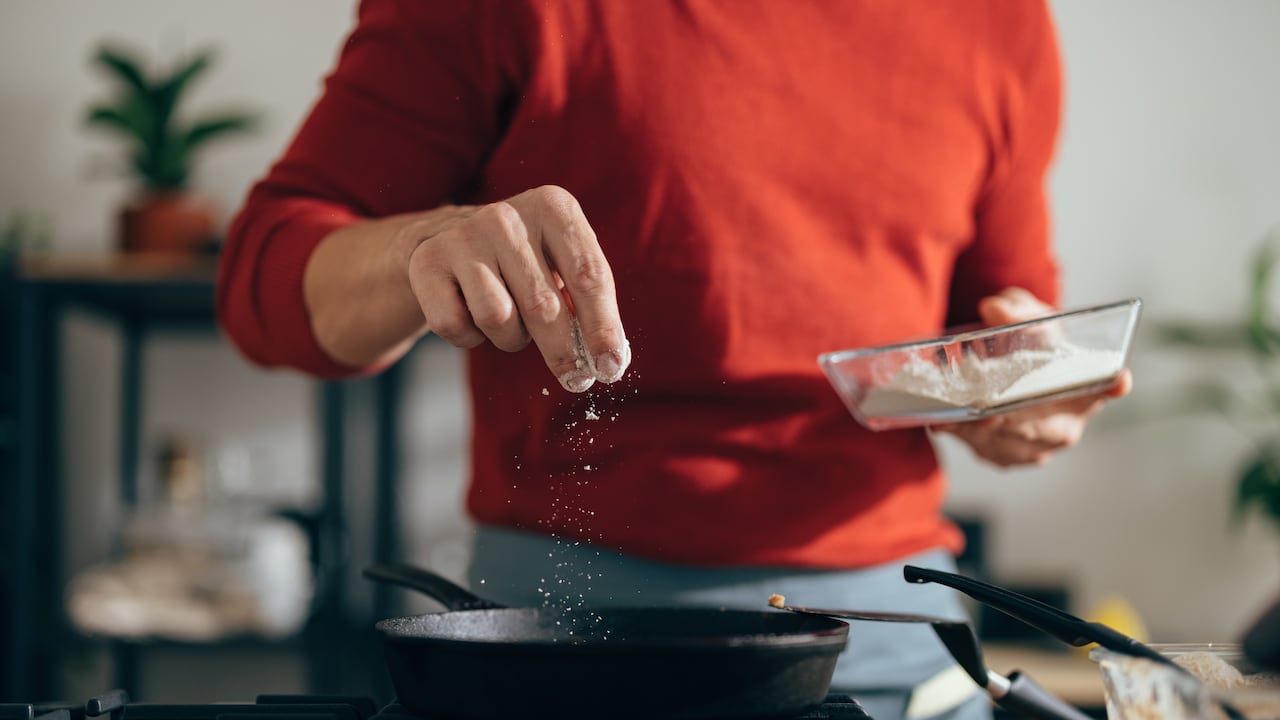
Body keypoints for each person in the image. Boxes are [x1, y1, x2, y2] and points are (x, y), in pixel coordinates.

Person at [217, 2, 1130, 718]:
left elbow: (1003, 331)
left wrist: (1025, 399)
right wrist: (424, 249)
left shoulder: (995, 17)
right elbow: (264, 274)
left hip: (889, 638)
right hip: (561, 636)